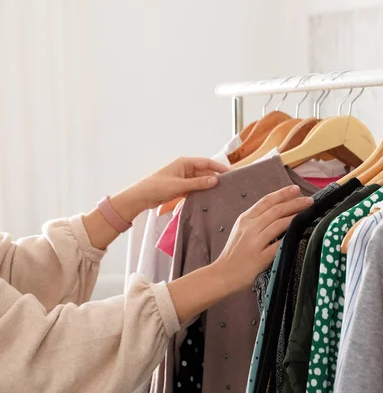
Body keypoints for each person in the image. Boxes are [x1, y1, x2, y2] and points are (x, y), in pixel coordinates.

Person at [0, 157, 313, 393]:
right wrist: (222, 273)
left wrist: (125, 204)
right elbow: (38, 356)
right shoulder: (211, 211)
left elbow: (13, 274)